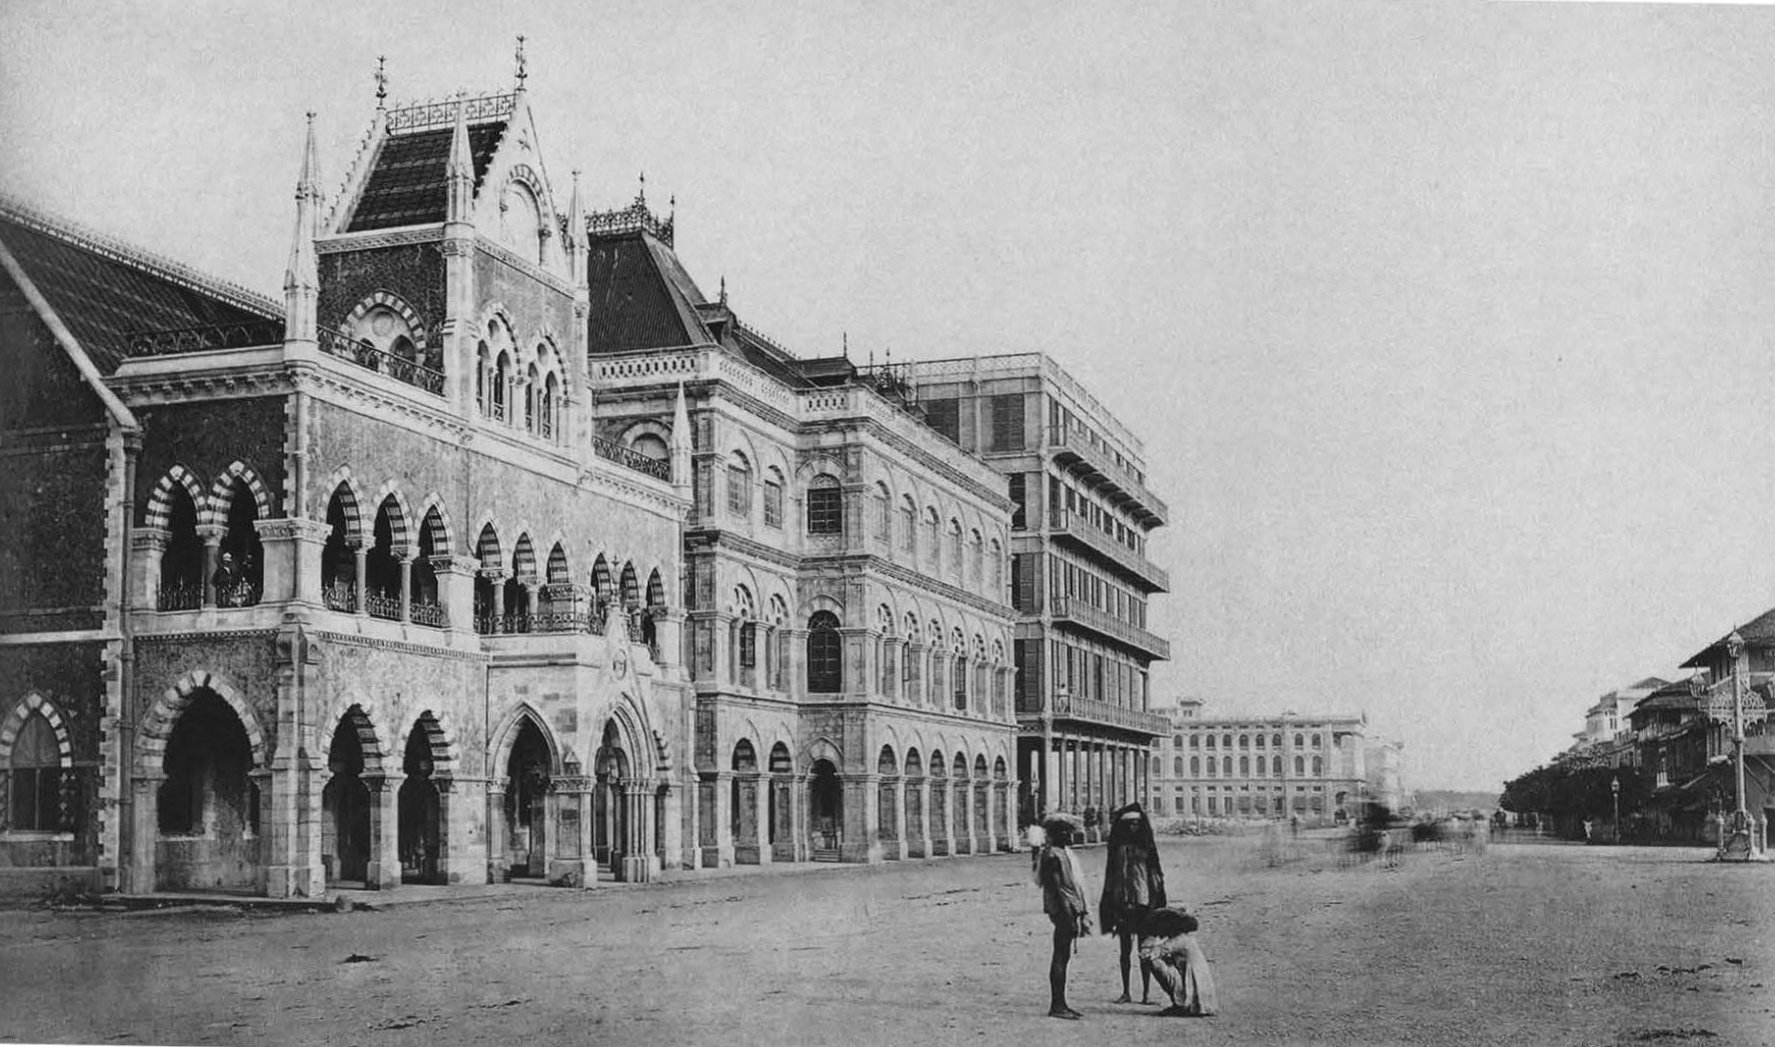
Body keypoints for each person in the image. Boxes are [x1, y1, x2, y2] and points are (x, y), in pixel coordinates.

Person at [1099, 802, 1167, 1004]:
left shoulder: (1147, 847)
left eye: (1137, 824)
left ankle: (1146, 993)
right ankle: (1126, 991)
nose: (1133, 828)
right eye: (1130, 824)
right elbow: (1111, 877)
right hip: (1123, 903)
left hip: (1144, 904)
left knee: (1144, 950)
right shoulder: (1117, 849)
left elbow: (1156, 877)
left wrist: (1157, 902)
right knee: (1124, 950)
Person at [1034, 815, 1091, 1020]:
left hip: (1067, 908)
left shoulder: (1060, 853)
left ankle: (1061, 1003)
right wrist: (1068, 916)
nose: (1070, 835)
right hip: (1062, 909)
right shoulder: (1053, 856)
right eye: (1065, 832)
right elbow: (1058, 889)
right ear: (1056, 834)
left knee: (1064, 956)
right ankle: (1057, 1005)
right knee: (1060, 955)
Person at [1137, 908, 1219, 1017]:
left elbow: (1155, 952)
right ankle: (1183, 1003)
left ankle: (1180, 1004)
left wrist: (1148, 947)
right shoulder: (1185, 937)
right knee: (1162, 962)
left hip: (1191, 979)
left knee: (1154, 963)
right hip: (1194, 979)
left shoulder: (1178, 941)